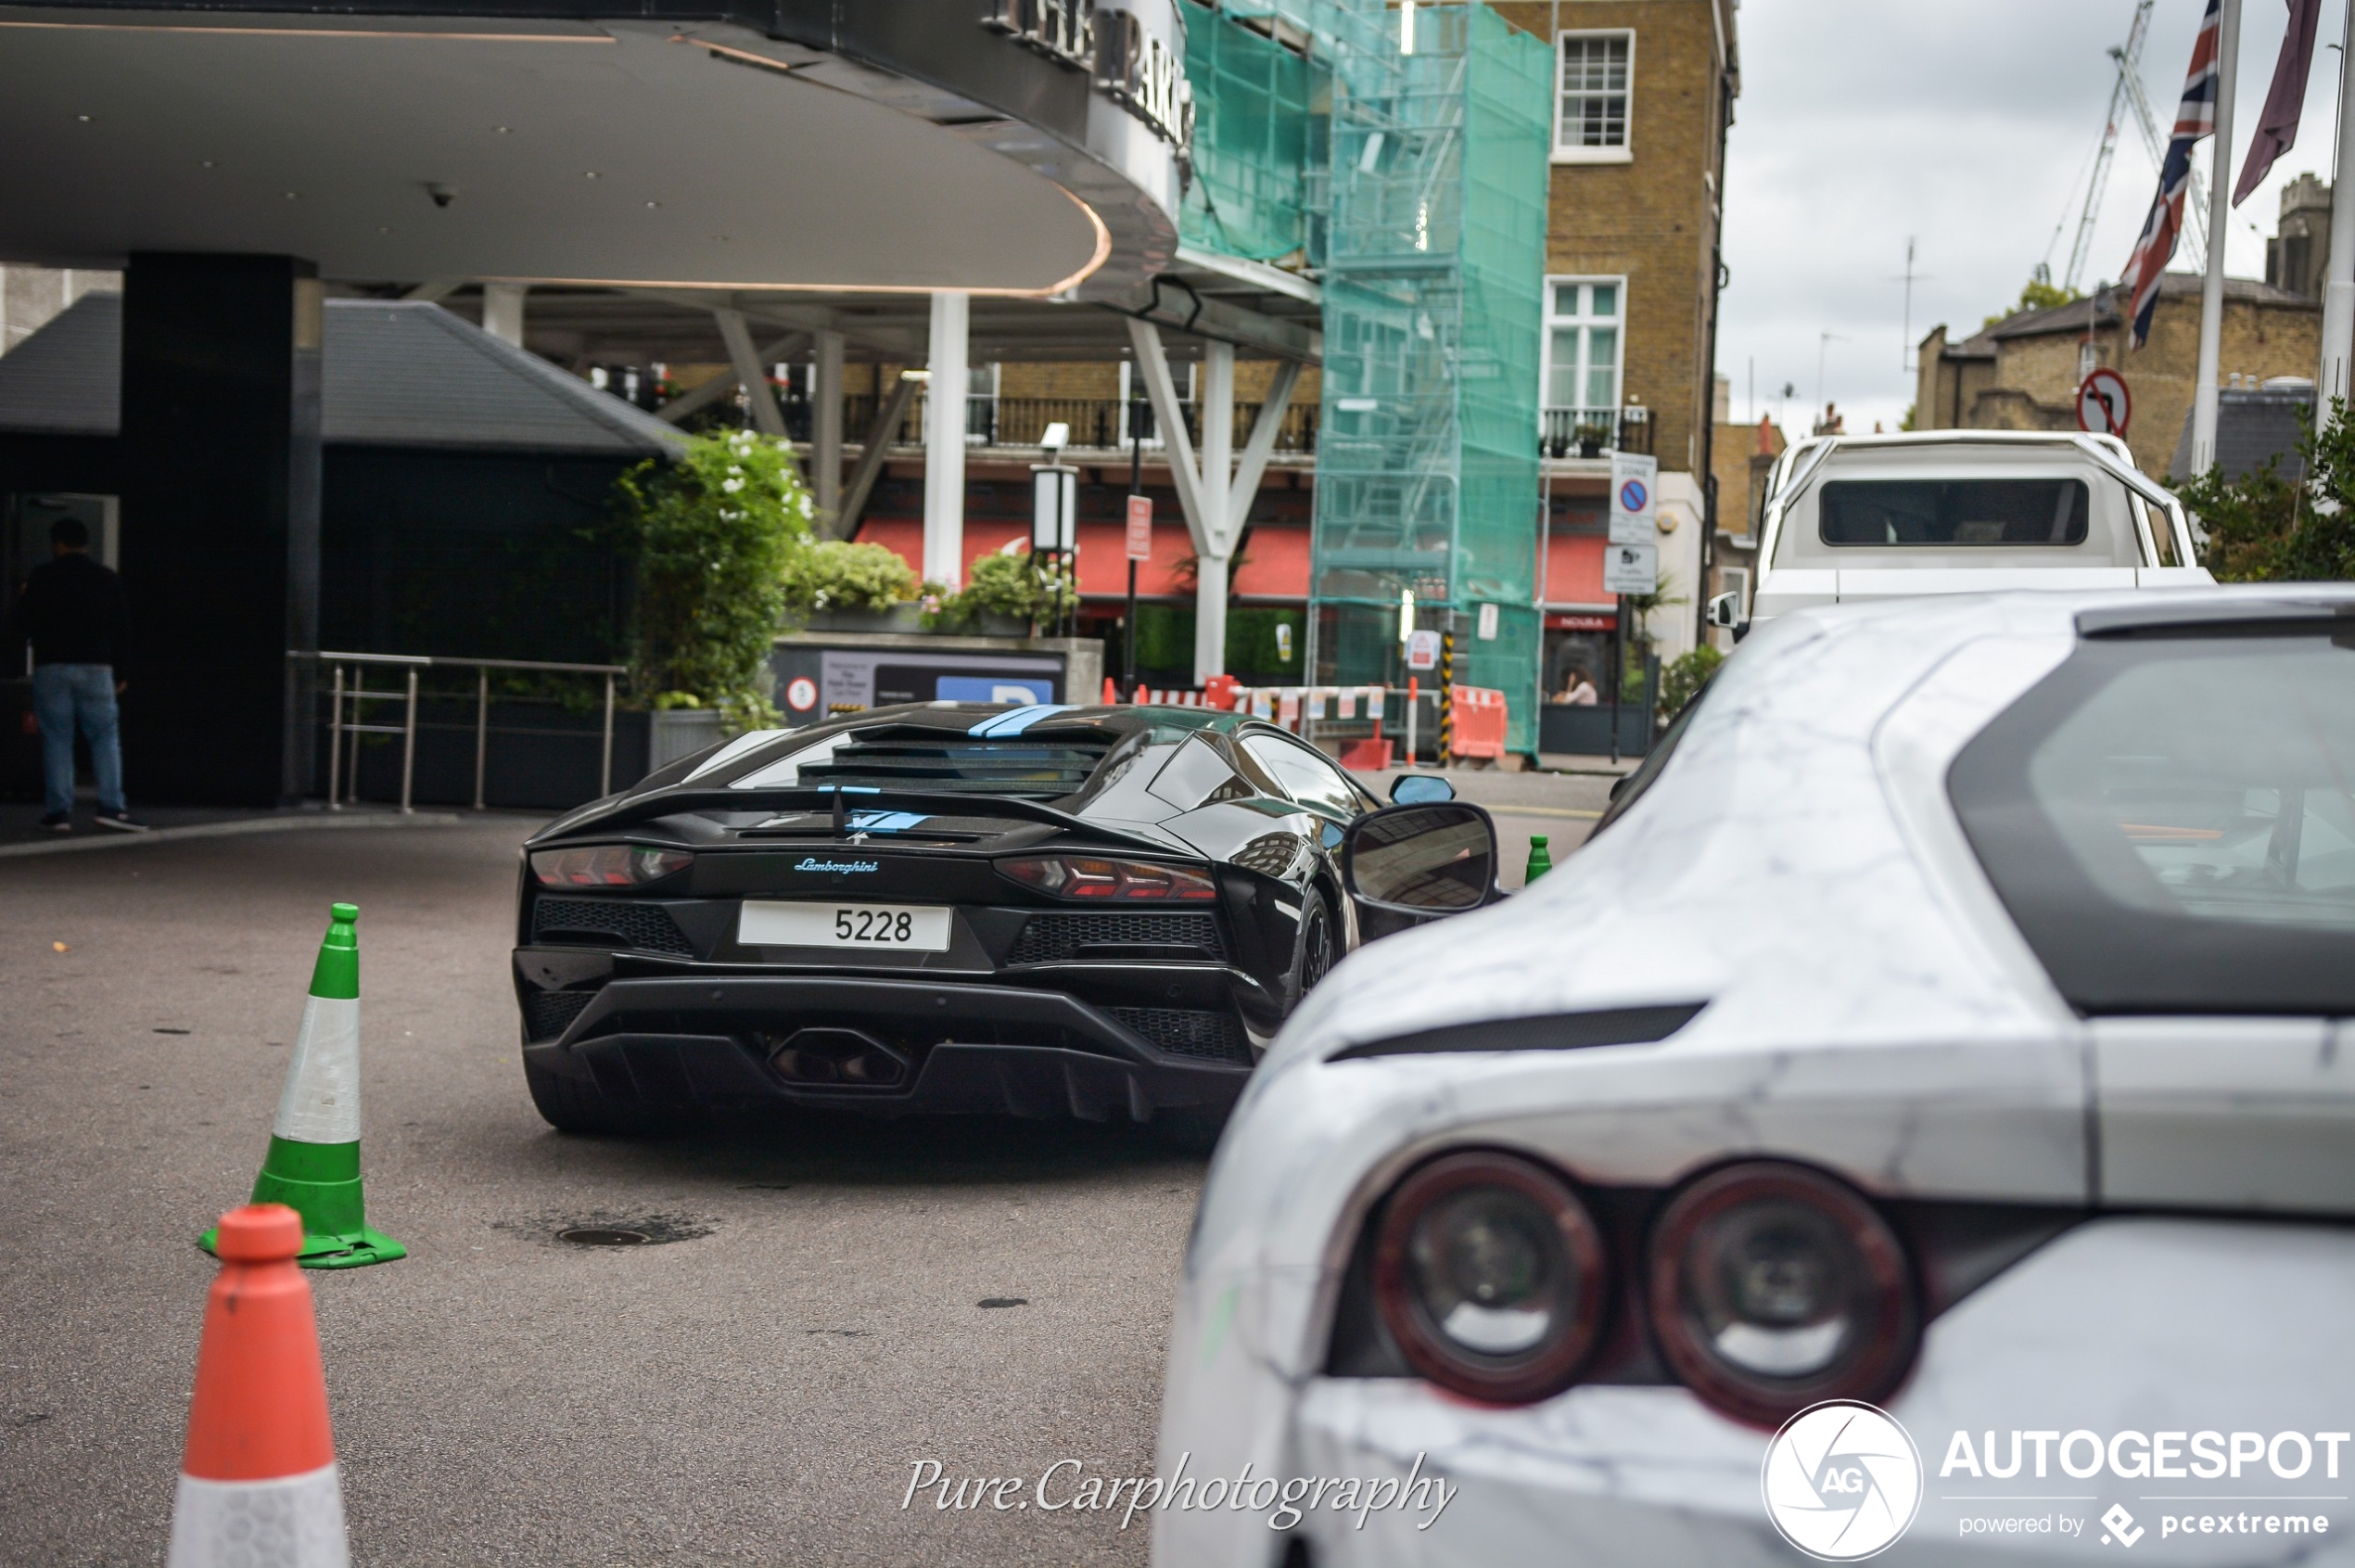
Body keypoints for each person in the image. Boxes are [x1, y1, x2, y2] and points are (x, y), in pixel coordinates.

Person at [5, 517, 144, 832]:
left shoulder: (42, 577)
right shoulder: (106, 578)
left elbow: (21, 623)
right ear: (86, 544)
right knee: (105, 738)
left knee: (57, 740)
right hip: (96, 668)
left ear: (57, 544)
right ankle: (111, 807)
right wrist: (121, 671)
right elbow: (122, 628)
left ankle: (58, 812)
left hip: (51, 668)